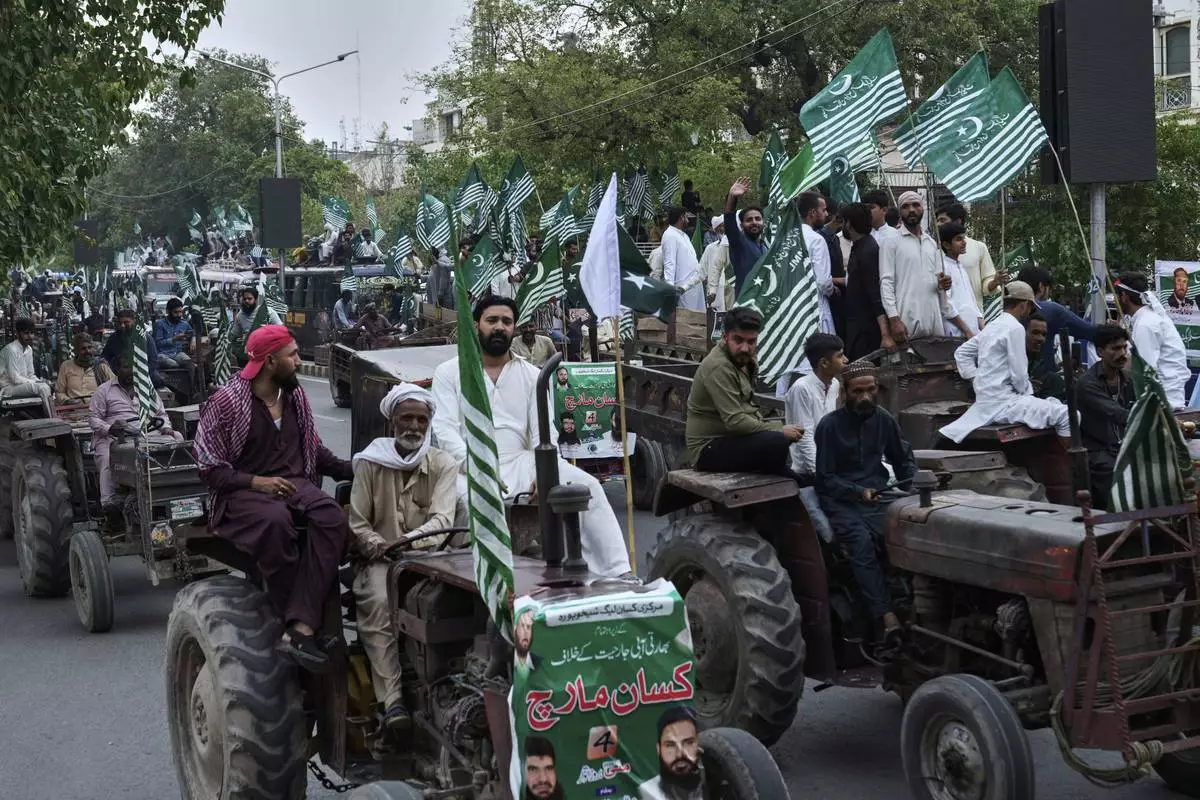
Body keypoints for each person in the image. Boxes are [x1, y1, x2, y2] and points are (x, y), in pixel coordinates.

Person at [431, 297, 631, 577]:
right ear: (477, 326)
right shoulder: (449, 372)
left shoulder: (532, 375)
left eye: (506, 322)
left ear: (513, 328)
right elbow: (444, 429)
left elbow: (543, 432)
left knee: (588, 487)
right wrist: (478, 466)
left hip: (522, 461)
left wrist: (543, 471)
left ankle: (617, 573)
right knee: (472, 503)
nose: (499, 327)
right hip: (469, 466)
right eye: (492, 320)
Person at [194, 325, 353, 672]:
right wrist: (258, 482)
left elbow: (312, 450)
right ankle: (296, 622)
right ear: (269, 362)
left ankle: (301, 624)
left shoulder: (294, 397)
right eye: (292, 355)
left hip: (295, 485)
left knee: (332, 517)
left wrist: (352, 468)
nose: (297, 360)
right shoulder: (226, 403)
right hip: (243, 493)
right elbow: (209, 469)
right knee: (276, 522)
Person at [349, 383, 457, 730]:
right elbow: (358, 523)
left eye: (421, 420)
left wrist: (405, 543)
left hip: (431, 558)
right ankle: (392, 700)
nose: (414, 426)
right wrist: (377, 544)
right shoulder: (370, 462)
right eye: (406, 418)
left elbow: (443, 520)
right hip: (379, 561)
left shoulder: (443, 464)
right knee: (380, 603)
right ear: (392, 421)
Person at [814, 360, 916, 642]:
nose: (866, 397)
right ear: (845, 393)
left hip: (879, 496)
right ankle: (885, 615)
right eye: (858, 392)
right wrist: (857, 491)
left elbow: (903, 460)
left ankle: (912, 602)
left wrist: (914, 488)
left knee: (907, 533)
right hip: (841, 501)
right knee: (862, 544)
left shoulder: (884, 419)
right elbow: (825, 478)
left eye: (871, 390)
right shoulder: (829, 426)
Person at [940, 281, 1071, 445]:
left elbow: (962, 353)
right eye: (1031, 308)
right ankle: (1072, 460)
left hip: (986, 404)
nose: (1029, 312)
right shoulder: (1015, 328)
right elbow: (1019, 376)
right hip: (1005, 404)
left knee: (1052, 404)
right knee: (1068, 416)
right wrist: (1027, 395)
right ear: (1024, 305)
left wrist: (976, 379)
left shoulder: (992, 326)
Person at [685, 307, 802, 475]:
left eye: (751, 341)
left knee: (787, 436)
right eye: (738, 340)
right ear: (725, 337)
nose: (745, 348)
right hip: (708, 448)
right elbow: (735, 422)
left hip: (734, 438)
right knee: (778, 440)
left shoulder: (747, 360)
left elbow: (746, 407)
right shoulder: (719, 367)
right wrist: (778, 429)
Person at [90, 354, 179, 509]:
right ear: (116, 370)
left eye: (134, 367)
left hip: (148, 433)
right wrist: (110, 428)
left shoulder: (146, 389)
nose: (131, 371)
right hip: (116, 438)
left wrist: (166, 427)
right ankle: (109, 503)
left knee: (177, 438)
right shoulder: (103, 391)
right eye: (126, 367)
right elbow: (94, 419)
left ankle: (175, 489)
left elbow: (161, 414)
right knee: (106, 457)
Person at [880, 191, 970, 343]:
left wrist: (942, 284)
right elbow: (886, 283)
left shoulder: (931, 243)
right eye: (905, 206)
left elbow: (939, 287)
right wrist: (894, 320)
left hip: (933, 324)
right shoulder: (891, 241)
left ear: (923, 208)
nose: (911, 210)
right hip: (905, 324)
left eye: (916, 205)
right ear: (900, 211)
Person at [1076, 325, 1135, 509]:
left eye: (1124, 347)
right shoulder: (1087, 383)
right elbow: (1116, 413)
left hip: (1123, 445)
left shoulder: (1128, 378)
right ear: (1100, 351)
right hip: (1098, 451)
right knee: (1115, 472)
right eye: (1115, 349)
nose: (1122, 353)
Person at [1114, 272, 1190, 409]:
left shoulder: (1146, 324)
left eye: (1116, 295)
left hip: (1163, 407)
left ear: (1124, 297)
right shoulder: (1145, 318)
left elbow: (1142, 371)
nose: (1115, 300)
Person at [1016, 266, 1098, 370]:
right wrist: (1111, 329)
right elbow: (1089, 331)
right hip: (1042, 376)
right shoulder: (1050, 309)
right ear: (1041, 287)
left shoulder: (1006, 311)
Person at [841, 203, 892, 359]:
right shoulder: (859, 246)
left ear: (849, 224)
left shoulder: (867, 250)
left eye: (844, 221)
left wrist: (885, 335)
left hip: (866, 331)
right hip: (857, 326)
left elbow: (876, 294)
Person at [936, 203, 1000, 308]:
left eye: (943, 220)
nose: (938, 224)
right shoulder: (932, 250)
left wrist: (995, 282)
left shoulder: (978, 247)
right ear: (946, 245)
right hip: (945, 313)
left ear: (958, 221)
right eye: (937, 220)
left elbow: (986, 284)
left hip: (975, 313)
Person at [638, 706, 702, 800]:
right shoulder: (645, 791)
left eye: (688, 743)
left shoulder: (718, 787)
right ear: (659, 749)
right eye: (670, 745)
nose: (679, 754)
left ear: (700, 744)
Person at [798, 192, 836, 334]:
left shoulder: (784, 239)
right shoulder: (816, 240)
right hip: (815, 309)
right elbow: (823, 282)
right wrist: (833, 291)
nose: (826, 214)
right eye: (823, 210)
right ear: (813, 213)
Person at [938, 222, 984, 337]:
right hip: (956, 333)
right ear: (946, 245)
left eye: (964, 238)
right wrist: (966, 330)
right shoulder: (943, 267)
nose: (964, 242)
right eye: (959, 239)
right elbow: (946, 305)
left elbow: (972, 300)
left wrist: (983, 328)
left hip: (972, 332)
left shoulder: (961, 267)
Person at [723, 178, 767, 296]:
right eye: (749, 220)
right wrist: (732, 198)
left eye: (758, 219)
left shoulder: (765, 247)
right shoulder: (739, 243)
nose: (754, 222)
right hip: (746, 303)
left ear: (763, 223)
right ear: (742, 226)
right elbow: (729, 221)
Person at [0, 318, 53, 414]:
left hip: (22, 385)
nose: (30, 336)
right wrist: (35, 383)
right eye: (26, 333)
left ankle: (42, 415)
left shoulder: (29, 349)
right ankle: (51, 417)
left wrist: (39, 381)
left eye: (32, 333)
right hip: (8, 388)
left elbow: (30, 374)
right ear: (17, 334)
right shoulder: (11, 350)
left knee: (47, 384)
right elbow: (15, 379)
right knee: (42, 388)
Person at [661, 207, 705, 311]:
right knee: (687, 319)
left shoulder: (684, 236)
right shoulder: (669, 235)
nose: (688, 220)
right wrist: (670, 291)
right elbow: (669, 264)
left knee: (700, 318)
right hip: (683, 289)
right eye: (686, 217)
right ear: (681, 217)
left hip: (695, 285)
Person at [55, 332, 114, 404]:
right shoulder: (66, 366)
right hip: (74, 407)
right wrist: (67, 400)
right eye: (83, 348)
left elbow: (116, 388)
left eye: (90, 347)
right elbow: (59, 392)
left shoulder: (101, 366)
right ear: (76, 351)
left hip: (98, 406)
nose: (87, 351)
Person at [1027, 312, 1066, 401]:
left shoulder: (1042, 367)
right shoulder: (1010, 363)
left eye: (1043, 334)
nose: (1040, 338)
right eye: (1035, 333)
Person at [701, 215, 732, 312]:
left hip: (732, 289)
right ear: (716, 230)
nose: (723, 229)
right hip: (715, 291)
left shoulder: (736, 246)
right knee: (717, 317)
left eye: (724, 226)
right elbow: (701, 270)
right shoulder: (710, 248)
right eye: (720, 226)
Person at [153, 297, 194, 369]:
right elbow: (158, 343)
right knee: (173, 364)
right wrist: (174, 339)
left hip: (177, 353)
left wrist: (193, 339)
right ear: (168, 312)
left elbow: (193, 332)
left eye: (180, 312)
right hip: (163, 355)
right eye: (175, 312)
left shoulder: (184, 324)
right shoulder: (160, 324)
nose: (179, 315)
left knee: (190, 363)